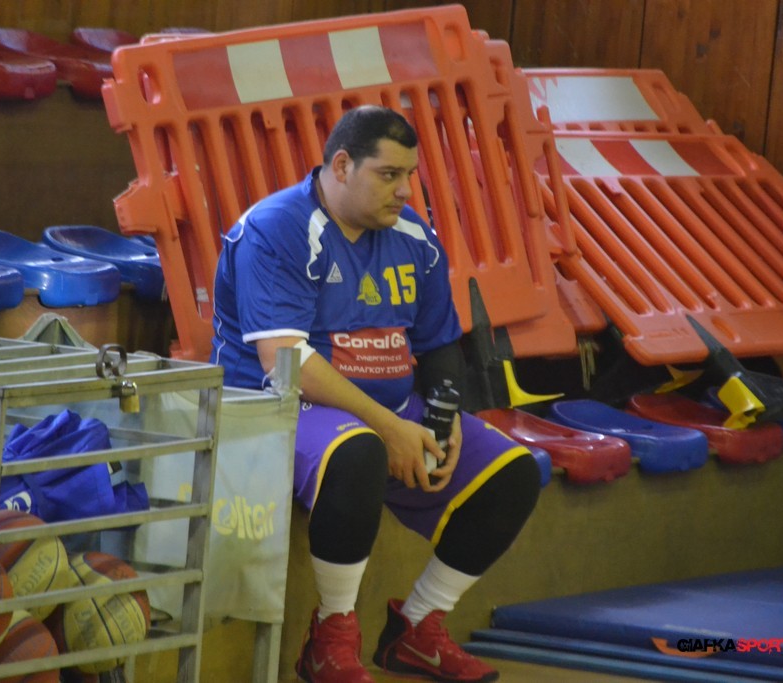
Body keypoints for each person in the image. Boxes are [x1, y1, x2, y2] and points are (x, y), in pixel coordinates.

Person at [211, 105, 541, 683]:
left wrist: (442, 419)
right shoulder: (276, 228)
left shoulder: (414, 235)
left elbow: (438, 343)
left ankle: (417, 629)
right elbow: (286, 362)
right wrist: (390, 430)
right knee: (361, 450)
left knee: (514, 473)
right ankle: (331, 638)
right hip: (277, 405)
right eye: (389, 175)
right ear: (342, 166)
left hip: (384, 408)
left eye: (409, 175)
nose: (405, 191)